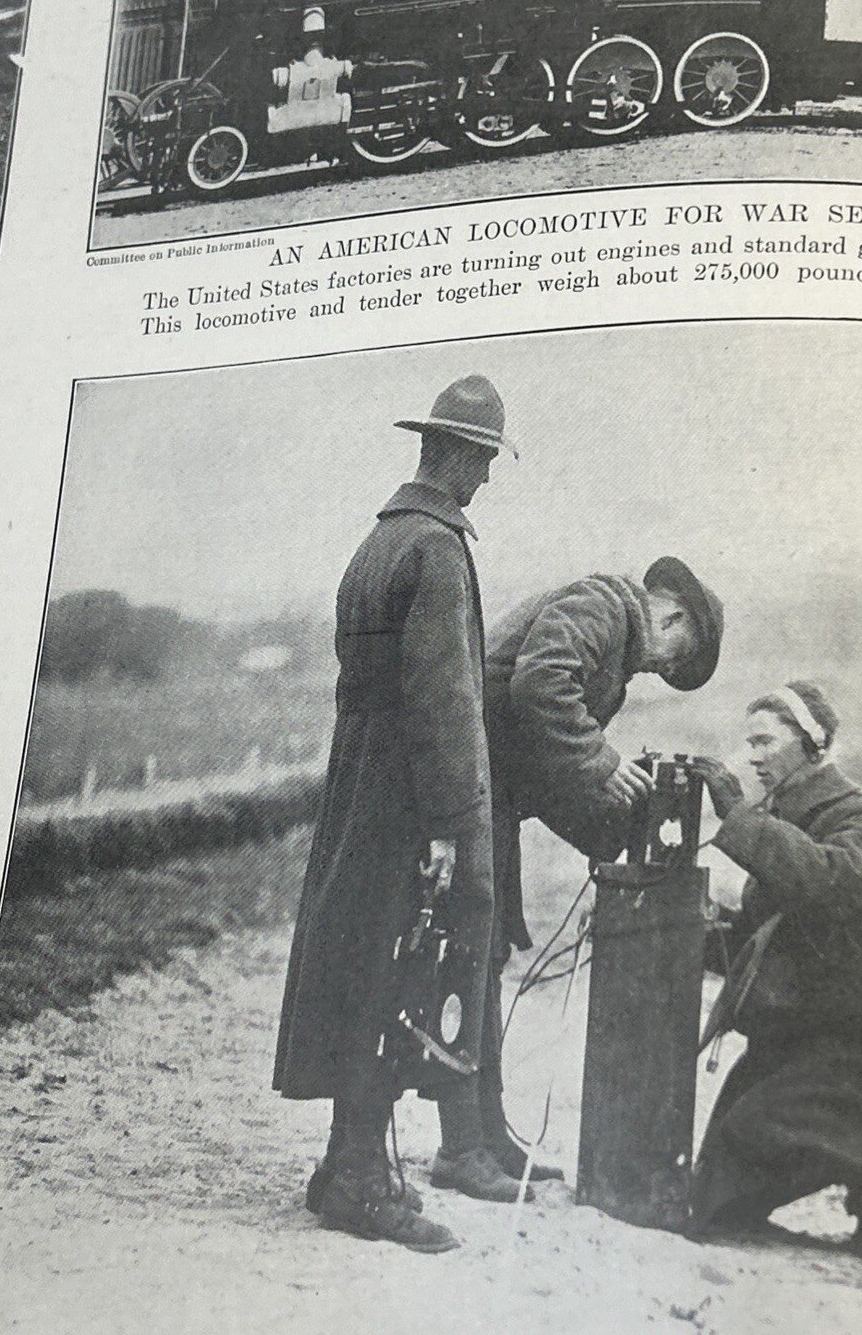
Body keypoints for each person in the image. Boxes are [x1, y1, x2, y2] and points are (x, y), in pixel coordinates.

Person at [273, 375, 512, 1254]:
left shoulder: (377, 543)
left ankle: (345, 1161)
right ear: (465, 456)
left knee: (357, 958)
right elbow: (445, 700)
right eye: (484, 462)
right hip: (408, 798)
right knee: (397, 969)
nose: (485, 481)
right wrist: (451, 822)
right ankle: (363, 1180)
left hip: (358, 781)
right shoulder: (440, 551)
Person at [433, 557, 723, 1200]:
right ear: (672, 615)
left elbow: (545, 757)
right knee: (466, 959)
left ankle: (485, 1132)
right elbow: (540, 685)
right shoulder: (601, 607)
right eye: (677, 658)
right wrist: (602, 764)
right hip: (465, 793)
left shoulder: (612, 636)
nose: (665, 670)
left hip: (490, 796)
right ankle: (459, 1146)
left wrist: (611, 827)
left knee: (488, 954)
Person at [689, 683, 862, 1255]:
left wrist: (741, 820)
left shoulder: (859, 818)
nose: (752, 757)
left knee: (754, 1137)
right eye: (748, 743)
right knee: (715, 1199)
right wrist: (685, 929)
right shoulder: (791, 819)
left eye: (764, 741)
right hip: (803, 1035)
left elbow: (824, 883)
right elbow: (764, 936)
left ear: (810, 743)